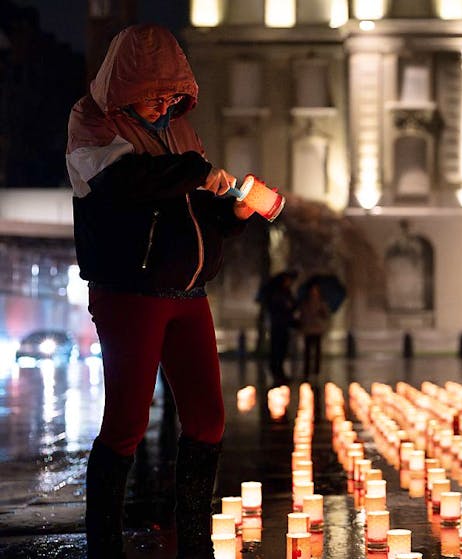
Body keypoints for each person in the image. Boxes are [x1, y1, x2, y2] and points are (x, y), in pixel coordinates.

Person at [66, 25, 255, 558]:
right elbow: (126, 183)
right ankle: (103, 541)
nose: (165, 103)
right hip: (130, 293)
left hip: (188, 296)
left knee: (208, 419)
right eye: (155, 92)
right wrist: (198, 172)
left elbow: (195, 212)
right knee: (126, 422)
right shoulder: (92, 120)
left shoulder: (182, 133)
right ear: (125, 83)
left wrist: (233, 212)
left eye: (174, 94)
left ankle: (191, 532)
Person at [265, 270, 298, 386]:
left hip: (285, 325)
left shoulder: (287, 292)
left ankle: (280, 373)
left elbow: (292, 307)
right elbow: (275, 309)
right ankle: (277, 373)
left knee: (283, 349)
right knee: (277, 350)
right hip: (278, 325)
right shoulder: (276, 293)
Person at [298, 282, 330, 378]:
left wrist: (322, 313)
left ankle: (316, 370)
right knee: (307, 350)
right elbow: (302, 315)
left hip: (317, 329)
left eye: (316, 290)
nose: (314, 292)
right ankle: (306, 370)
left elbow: (326, 315)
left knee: (317, 350)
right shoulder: (305, 303)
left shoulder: (322, 302)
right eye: (312, 290)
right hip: (308, 329)